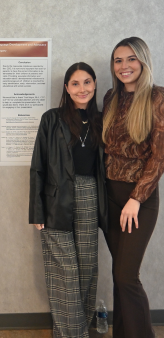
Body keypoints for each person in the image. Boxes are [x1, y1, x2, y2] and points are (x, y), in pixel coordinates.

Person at [29, 62, 108, 338]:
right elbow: (37, 166)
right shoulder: (51, 119)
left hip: (91, 196)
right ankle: (73, 335)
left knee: (86, 269)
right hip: (55, 200)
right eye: (75, 83)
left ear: (95, 84)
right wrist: (36, 211)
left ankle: (77, 328)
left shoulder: (102, 119)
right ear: (66, 88)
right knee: (64, 273)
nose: (82, 88)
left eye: (87, 82)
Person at [103, 37, 164, 338]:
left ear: (142, 61)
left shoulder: (158, 98)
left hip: (138, 200)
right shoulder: (110, 99)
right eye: (118, 60)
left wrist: (137, 198)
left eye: (130, 59)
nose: (124, 66)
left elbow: (160, 155)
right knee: (119, 276)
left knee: (126, 276)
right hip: (109, 196)